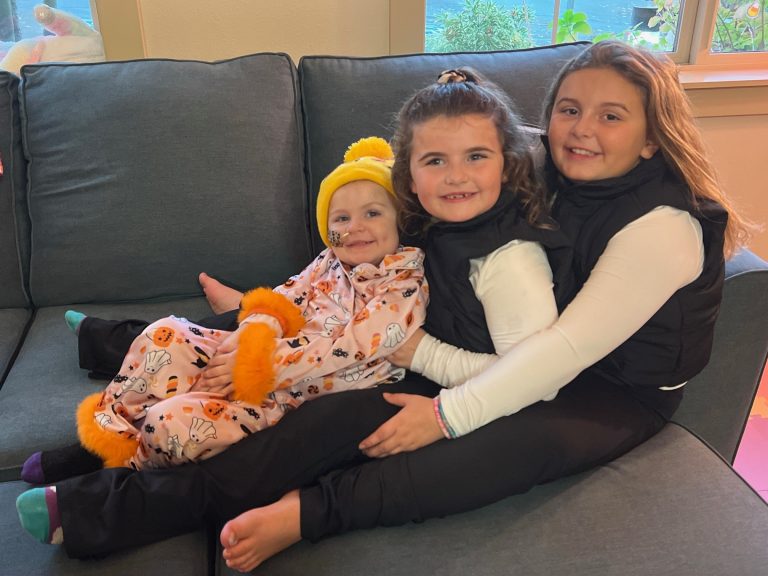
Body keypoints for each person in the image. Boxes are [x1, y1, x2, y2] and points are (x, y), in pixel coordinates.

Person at [16, 65, 574, 559]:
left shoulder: (506, 259)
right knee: (180, 336)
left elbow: (527, 378)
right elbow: (317, 281)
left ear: (508, 161)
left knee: (263, 410)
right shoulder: (423, 214)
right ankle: (105, 392)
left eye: (477, 156)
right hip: (323, 347)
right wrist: (253, 317)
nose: (455, 175)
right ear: (410, 176)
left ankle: (110, 494)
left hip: (404, 384)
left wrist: (419, 351)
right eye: (434, 160)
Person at [20, 136, 434, 484]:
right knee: (167, 335)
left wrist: (258, 364)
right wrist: (251, 330)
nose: (355, 226)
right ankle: (106, 435)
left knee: (172, 422)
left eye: (373, 213)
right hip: (260, 359)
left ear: (401, 218)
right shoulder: (331, 258)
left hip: (293, 400)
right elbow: (285, 295)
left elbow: (350, 347)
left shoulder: (403, 286)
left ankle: (125, 468)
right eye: (340, 217)